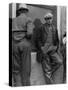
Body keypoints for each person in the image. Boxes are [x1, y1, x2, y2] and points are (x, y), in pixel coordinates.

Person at [32, 12, 63, 84]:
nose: (49, 20)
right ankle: (50, 84)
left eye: (50, 18)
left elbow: (57, 40)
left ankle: (49, 72)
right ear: (45, 20)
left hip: (53, 50)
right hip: (44, 51)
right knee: (47, 69)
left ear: (52, 19)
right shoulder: (41, 27)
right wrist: (41, 48)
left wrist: (56, 47)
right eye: (47, 19)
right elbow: (38, 39)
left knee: (59, 62)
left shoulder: (55, 28)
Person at [12, 4, 34, 86]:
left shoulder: (14, 20)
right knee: (26, 68)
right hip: (25, 43)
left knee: (16, 69)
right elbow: (30, 33)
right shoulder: (28, 19)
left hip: (14, 44)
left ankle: (18, 86)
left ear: (19, 11)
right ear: (26, 11)